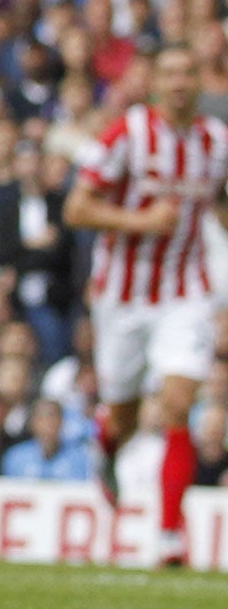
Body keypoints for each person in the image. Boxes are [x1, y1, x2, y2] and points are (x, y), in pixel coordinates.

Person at [63, 42, 228, 564]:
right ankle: (106, 445)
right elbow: (76, 208)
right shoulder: (128, 134)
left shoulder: (216, 141)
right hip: (124, 295)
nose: (180, 83)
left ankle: (170, 534)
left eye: (188, 72)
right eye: (170, 74)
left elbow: (219, 204)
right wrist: (140, 222)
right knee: (125, 415)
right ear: (156, 82)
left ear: (199, 81)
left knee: (179, 402)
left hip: (186, 290)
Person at [2, 398, 93, 481]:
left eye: (53, 417)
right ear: (32, 423)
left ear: (62, 422)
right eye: (42, 418)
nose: (49, 423)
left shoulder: (80, 457)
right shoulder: (16, 457)